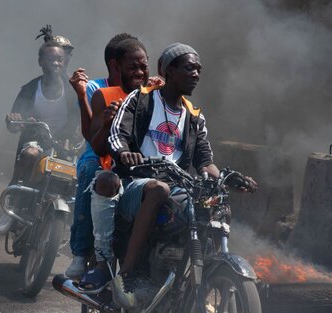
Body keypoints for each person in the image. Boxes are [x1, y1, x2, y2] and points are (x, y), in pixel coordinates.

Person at [107, 43, 257, 309]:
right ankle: (127, 275)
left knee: (212, 202)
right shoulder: (141, 99)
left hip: (179, 187)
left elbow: (205, 162)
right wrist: (124, 153)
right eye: (189, 68)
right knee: (159, 190)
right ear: (168, 70)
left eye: (199, 69)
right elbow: (118, 133)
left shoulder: (194, 117)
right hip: (136, 183)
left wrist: (227, 177)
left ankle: (192, 280)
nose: (196, 74)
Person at [65, 33, 138, 278]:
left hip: (134, 157)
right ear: (115, 65)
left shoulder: (145, 91)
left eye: (142, 65)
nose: (139, 70)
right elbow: (91, 134)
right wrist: (82, 94)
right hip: (100, 153)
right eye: (132, 65)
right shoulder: (97, 89)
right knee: (89, 171)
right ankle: (80, 251)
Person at [0, 34, 79, 236]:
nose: (56, 63)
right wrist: (17, 121)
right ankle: (12, 205)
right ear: (41, 62)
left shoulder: (73, 90)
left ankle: (76, 228)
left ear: (65, 61)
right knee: (30, 154)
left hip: (64, 144)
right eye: (51, 60)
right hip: (37, 140)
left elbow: (80, 116)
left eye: (59, 59)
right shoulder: (30, 89)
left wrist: (74, 133)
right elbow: (13, 122)